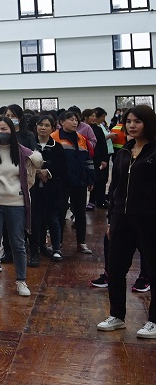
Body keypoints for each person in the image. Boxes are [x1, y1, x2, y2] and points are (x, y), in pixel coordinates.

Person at [97, 105, 156, 338]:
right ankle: (117, 316)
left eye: (137, 121)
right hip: (121, 219)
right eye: (128, 121)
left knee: (152, 270)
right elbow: (115, 188)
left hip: (149, 220)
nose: (131, 126)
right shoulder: (123, 152)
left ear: (148, 123)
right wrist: (111, 220)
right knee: (116, 269)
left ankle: (153, 321)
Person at [0, 117, 40, 298]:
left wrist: (17, 192)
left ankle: (21, 281)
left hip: (16, 204)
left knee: (18, 244)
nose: (0, 132)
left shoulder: (23, 153)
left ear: (12, 130)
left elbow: (29, 179)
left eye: (4, 129)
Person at [52, 111, 92, 257]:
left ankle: (81, 242)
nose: (75, 122)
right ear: (62, 122)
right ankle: (57, 243)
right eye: (71, 119)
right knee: (60, 212)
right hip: (62, 182)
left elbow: (88, 159)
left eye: (76, 120)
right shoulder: (55, 137)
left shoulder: (81, 138)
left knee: (80, 212)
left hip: (79, 181)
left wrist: (90, 178)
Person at [30, 115, 67, 267]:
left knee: (53, 218)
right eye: (40, 125)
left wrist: (48, 172)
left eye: (47, 125)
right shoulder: (30, 145)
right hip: (34, 190)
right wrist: (36, 172)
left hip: (52, 190)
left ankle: (56, 248)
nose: (43, 128)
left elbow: (62, 167)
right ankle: (35, 250)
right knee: (35, 220)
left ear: (52, 128)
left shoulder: (57, 147)